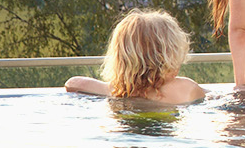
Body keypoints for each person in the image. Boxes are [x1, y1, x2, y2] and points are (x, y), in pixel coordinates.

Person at [64, 9, 207, 104]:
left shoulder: (114, 91)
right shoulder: (184, 88)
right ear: (166, 58)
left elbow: (73, 83)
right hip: (164, 146)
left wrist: (110, 87)